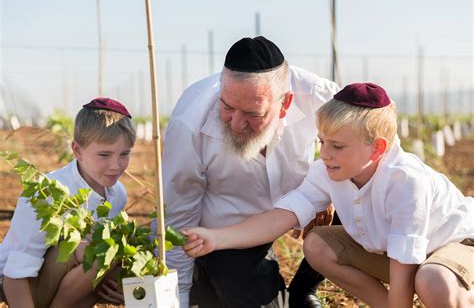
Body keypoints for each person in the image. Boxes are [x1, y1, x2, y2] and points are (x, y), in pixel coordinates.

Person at [182, 83, 474, 308]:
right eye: (322, 142)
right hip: (403, 257)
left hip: (456, 245)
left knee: (434, 281)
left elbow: (403, 267)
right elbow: (280, 218)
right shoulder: (326, 171)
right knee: (319, 245)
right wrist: (217, 238)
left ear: (377, 148)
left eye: (338, 145)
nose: (326, 153)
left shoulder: (405, 181)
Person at [158, 36, 340, 308]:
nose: (237, 123)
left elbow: (377, 148)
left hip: (286, 214)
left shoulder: (319, 97)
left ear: (285, 104)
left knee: (358, 191)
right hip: (222, 237)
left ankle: (304, 290)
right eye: (227, 107)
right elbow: (178, 216)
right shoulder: (190, 122)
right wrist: (177, 298)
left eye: (253, 113)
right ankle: (202, 279)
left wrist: (329, 187)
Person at [0, 97, 136, 308]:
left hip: (62, 285)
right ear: (77, 150)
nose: (115, 165)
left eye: (124, 154)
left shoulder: (117, 195)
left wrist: (127, 290)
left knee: (115, 252)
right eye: (104, 155)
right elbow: (14, 277)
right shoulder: (47, 192)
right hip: (20, 290)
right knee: (92, 250)